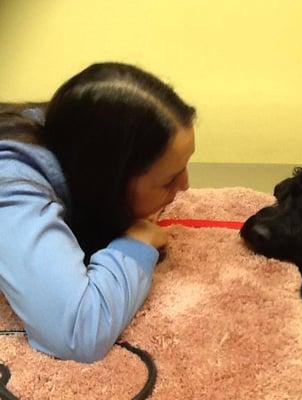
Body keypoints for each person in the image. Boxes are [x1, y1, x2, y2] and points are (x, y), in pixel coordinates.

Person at [0, 62, 196, 363]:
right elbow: (78, 334)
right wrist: (136, 242)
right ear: (108, 181)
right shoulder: (12, 182)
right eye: (169, 180)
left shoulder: (72, 134)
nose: (185, 187)